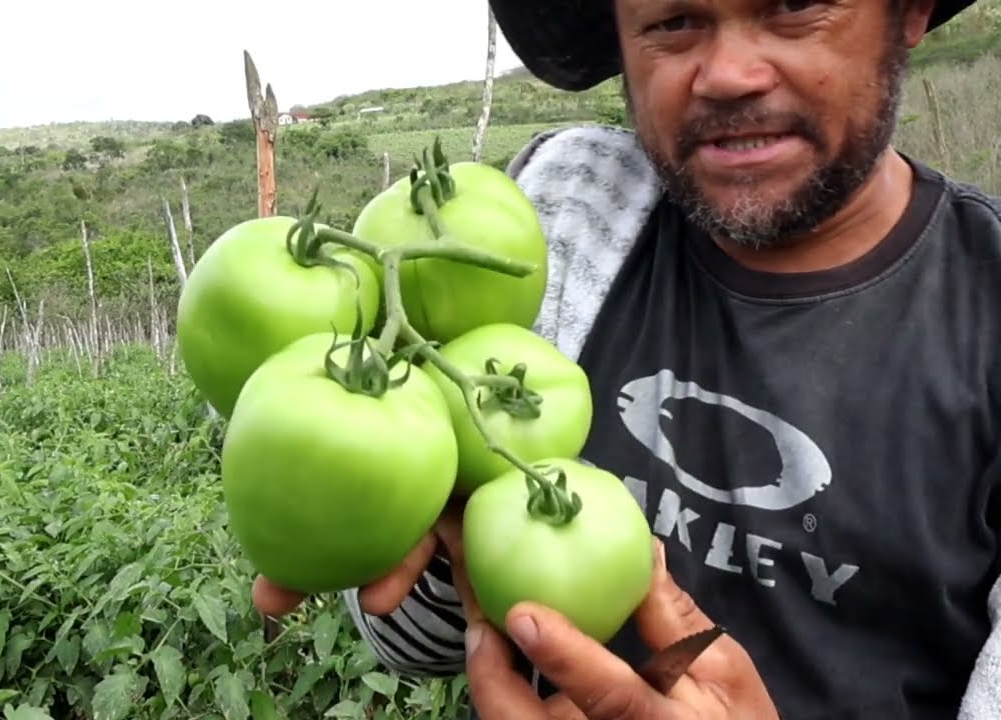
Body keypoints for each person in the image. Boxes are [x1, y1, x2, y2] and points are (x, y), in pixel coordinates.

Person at [253, 0, 1001, 715]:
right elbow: (416, 639)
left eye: (795, 4)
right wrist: (438, 510)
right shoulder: (559, 217)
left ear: (908, 13)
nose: (729, 73)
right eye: (673, 20)